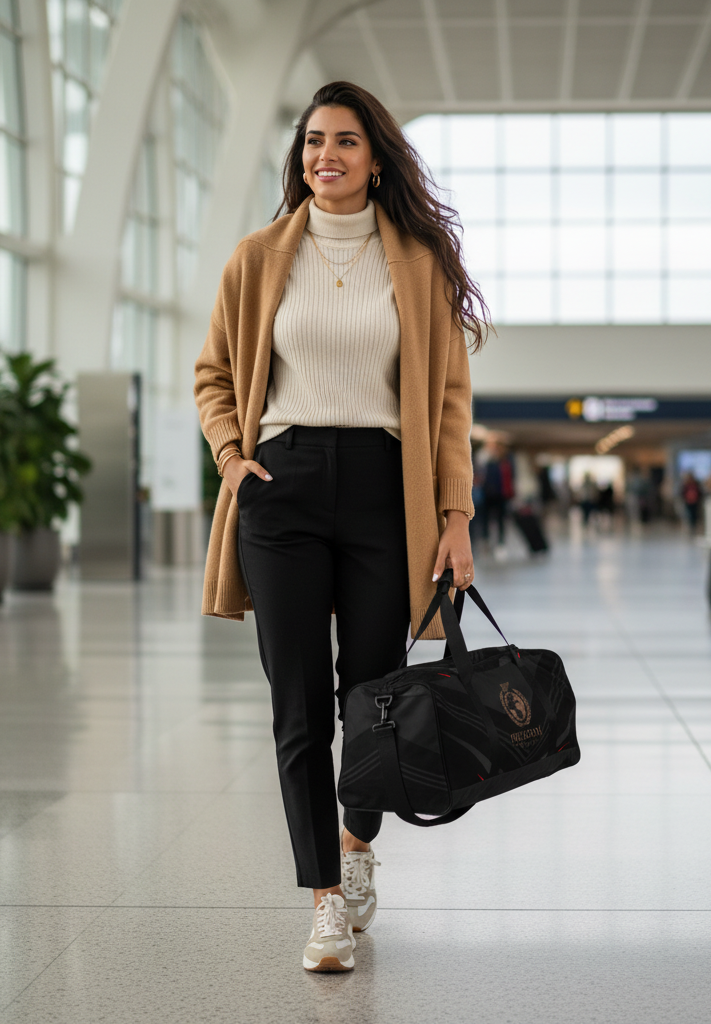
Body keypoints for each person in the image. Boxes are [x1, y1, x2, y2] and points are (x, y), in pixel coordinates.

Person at [193, 81, 489, 973]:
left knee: (374, 702)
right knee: (297, 710)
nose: (327, 154)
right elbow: (214, 375)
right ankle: (324, 898)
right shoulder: (256, 259)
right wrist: (231, 459)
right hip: (279, 490)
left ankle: (359, 849)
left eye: (346, 141)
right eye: (314, 140)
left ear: (375, 156)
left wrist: (456, 517)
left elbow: (445, 404)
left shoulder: (420, 263)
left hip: (381, 492)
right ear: (301, 158)